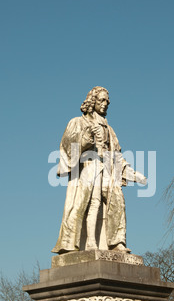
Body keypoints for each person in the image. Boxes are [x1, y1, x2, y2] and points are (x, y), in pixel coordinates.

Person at [52, 86, 146, 254]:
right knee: (85, 204)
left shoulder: (109, 129)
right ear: (93, 101)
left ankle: (116, 242)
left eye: (107, 101)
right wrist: (88, 138)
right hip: (86, 170)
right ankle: (81, 243)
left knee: (116, 199)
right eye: (102, 100)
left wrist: (132, 173)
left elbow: (116, 156)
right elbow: (68, 148)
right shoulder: (77, 122)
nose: (105, 104)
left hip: (106, 171)